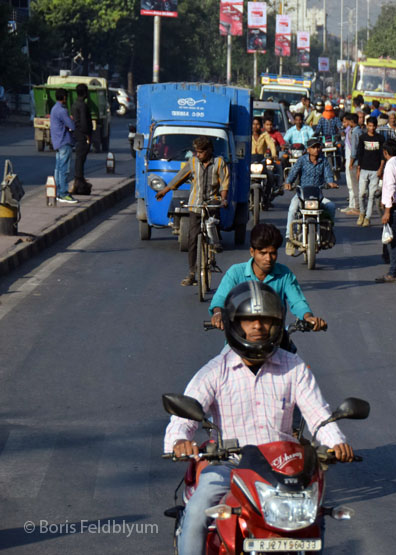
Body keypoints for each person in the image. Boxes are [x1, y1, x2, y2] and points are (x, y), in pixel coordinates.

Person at [165, 281, 354, 555]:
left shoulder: (294, 368)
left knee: (313, 516)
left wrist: (336, 442)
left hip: (281, 468)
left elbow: (318, 413)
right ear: (234, 323)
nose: (257, 327)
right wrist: (180, 440)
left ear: (276, 324)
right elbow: (186, 414)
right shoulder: (215, 371)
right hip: (228, 467)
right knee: (196, 514)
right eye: (248, 320)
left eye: (265, 320)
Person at [209, 223, 326, 334]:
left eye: (272, 253)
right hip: (239, 339)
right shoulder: (235, 272)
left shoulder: (284, 274)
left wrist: (308, 317)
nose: (268, 259)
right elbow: (220, 297)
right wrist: (218, 313)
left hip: (276, 341)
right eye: (263, 253)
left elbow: (297, 301)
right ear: (252, 252)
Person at [156, 136, 230, 286]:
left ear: (209, 151)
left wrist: (223, 199)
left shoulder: (220, 162)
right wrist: (165, 190)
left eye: (201, 152)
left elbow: (224, 183)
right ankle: (191, 273)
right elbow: (180, 177)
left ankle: (215, 245)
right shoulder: (193, 162)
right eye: (196, 152)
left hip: (212, 202)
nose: (198, 155)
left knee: (213, 226)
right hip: (195, 204)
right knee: (192, 239)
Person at [283, 138, 338, 253]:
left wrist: (330, 182)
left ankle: (329, 232)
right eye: (313, 147)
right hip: (302, 194)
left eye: (318, 147)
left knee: (331, 206)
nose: (316, 149)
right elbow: (293, 172)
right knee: (293, 208)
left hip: (318, 195)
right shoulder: (302, 160)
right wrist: (288, 183)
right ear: (308, 149)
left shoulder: (324, 161)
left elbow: (328, 175)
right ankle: (289, 238)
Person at [376, 139, 396, 283]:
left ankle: (393, 272)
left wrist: (387, 211)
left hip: (394, 207)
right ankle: (394, 271)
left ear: (385, 152)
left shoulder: (390, 166)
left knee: (394, 241)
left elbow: (390, 189)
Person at [355, 116, 386, 228]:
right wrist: (358, 170)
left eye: (373, 126)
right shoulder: (362, 137)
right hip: (363, 169)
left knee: (372, 195)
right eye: (369, 125)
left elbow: (382, 155)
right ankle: (362, 213)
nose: (371, 128)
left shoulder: (380, 138)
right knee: (361, 193)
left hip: (375, 170)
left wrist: (381, 168)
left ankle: (367, 217)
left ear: (376, 126)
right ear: (367, 125)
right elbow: (360, 153)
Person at [50, 88, 78, 203]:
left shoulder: (54, 109)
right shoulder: (62, 110)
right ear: (64, 97)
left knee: (58, 169)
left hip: (57, 141)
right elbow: (72, 125)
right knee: (64, 169)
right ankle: (64, 193)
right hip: (64, 141)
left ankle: (57, 192)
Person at [71, 83, 92, 196]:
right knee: (80, 159)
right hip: (83, 135)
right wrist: (87, 134)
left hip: (78, 134)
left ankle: (79, 181)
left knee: (79, 159)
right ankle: (79, 182)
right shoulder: (83, 106)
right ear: (85, 93)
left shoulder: (74, 105)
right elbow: (84, 123)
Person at [342, 112, 362, 214]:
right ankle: (352, 205)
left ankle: (356, 207)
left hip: (353, 161)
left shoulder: (353, 132)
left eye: (346, 121)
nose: (345, 123)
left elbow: (354, 150)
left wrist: (350, 163)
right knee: (352, 185)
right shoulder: (352, 131)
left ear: (351, 121)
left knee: (354, 185)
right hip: (351, 160)